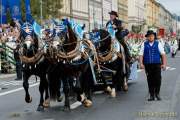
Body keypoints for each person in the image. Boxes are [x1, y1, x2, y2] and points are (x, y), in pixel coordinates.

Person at [139, 30, 167, 101]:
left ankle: (157, 94)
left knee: (157, 79)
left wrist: (164, 64)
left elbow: (163, 54)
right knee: (150, 79)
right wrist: (141, 63)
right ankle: (151, 95)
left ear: (154, 36)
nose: (151, 37)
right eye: (149, 36)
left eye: (152, 36)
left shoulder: (158, 44)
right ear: (147, 37)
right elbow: (141, 55)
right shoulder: (144, 44)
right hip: (148, 65)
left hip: (157, 64)